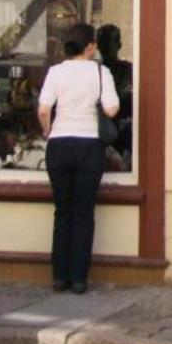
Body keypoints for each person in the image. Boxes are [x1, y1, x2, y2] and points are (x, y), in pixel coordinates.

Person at [37, 21, 119, 295]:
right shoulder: (100, 71)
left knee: (62, 212)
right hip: (88, 146)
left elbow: (44, 108)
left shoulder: (55, 72)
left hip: (59, 145)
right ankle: (79, 279)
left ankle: (59, 277)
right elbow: (111, 109)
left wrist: (49, 131)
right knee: (83, 213)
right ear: (90, 46)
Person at [96, 23, 133, 170]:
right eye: (102, 43)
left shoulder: (128, 70)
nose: (105, 47)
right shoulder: (94, 72)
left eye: (109, 42)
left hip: (123, 133)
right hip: (100, 133)